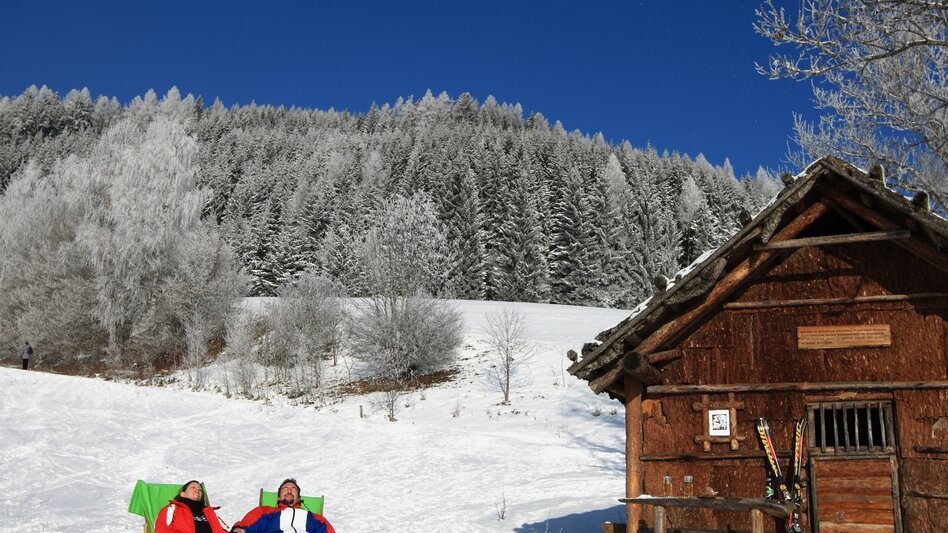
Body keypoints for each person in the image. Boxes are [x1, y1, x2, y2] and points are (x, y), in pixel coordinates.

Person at [231, 479, 334, 533]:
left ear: (299, 498)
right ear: (278, 498)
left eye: (293, 489)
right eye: (285, 488)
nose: (289, 490)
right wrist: (240, 530)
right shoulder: (265, 512)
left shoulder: (314, 518)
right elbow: (247, 525)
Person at [155, 480, 229, 533]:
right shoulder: (172, 509)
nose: (197, 489)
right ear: (182, 494)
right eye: (193, 487)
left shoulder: (209, 512)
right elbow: (162, 530)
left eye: (200, 489)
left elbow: (223, 530)